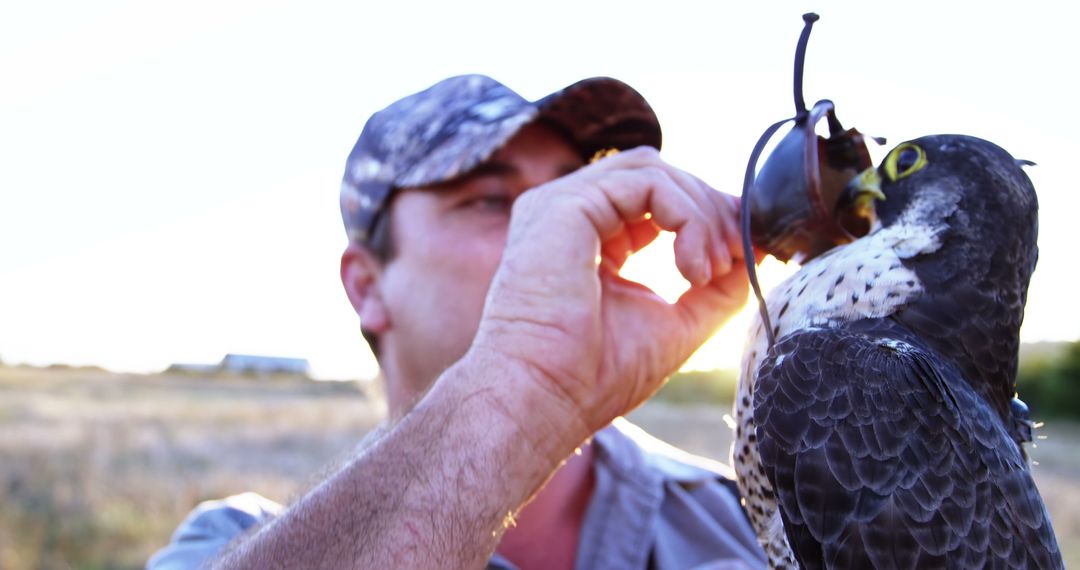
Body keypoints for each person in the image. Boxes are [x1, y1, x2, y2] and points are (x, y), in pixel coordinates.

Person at [148, 74, 767, 569]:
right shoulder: (238, 543)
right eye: (490, 202)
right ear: (367, 285)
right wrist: (524, 394)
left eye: (575, 191)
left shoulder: (747, 518)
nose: (556, 227)